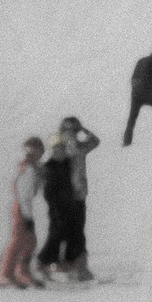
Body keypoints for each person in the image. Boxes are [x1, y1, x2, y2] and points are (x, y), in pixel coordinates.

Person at [0, 137, 44, 289]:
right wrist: (27, 216)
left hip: (22, 207)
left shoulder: (31, 168)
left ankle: (21, 271)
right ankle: (5, 273)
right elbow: (24, 195)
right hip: (21, 208)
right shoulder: (28, 169)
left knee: (29, 241)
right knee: (18, 240)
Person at [60, 115, 101, 280]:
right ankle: (76, 268)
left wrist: (84, 130)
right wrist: (84, 131)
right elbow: (95, 141)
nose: (71, 135)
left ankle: (74, 266)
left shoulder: (66, 147)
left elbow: (96, 141)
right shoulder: (75, 147)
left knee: (74, 231)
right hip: (72, 194)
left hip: (76, 194)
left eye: (73, 131)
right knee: (75, 232)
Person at [37, 133, 75, 277]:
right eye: (57, 148)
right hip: (56, 206)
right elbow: (48, 189)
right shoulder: (49, 166)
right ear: (52, 150)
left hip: (67, 204)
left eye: (62, 148)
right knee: (56, 233)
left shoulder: (66, 163)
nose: (60, 151)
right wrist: (54, 204)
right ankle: (43, 260)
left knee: (63, 233)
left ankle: (53, 260)